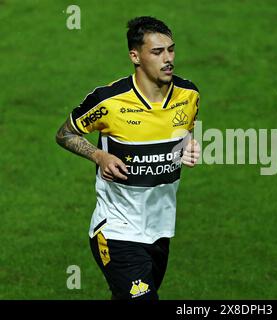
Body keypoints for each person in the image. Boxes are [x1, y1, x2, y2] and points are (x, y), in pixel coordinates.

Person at [55, 16, 201, 300]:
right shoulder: (109, 101)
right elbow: (64, 134)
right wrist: (99, 155)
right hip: (117, 231)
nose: (168, 58)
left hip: (160, 230)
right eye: (157, 52)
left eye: (171, 49)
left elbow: (183, 132)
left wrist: (188, 146)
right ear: (135, 56)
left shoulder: (189, 95)